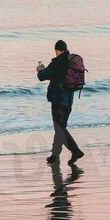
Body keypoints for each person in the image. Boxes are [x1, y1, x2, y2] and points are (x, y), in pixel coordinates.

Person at [36, 40, 84, 168]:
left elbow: (42, 76)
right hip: (68, 101)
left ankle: (75, 151)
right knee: (60, 127)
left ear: (57, 50)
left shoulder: (56, 62)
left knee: (59, 128)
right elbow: (57, 77)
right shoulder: (70, 61)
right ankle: (55, 156)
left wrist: (40, 70)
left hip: (58, 101)